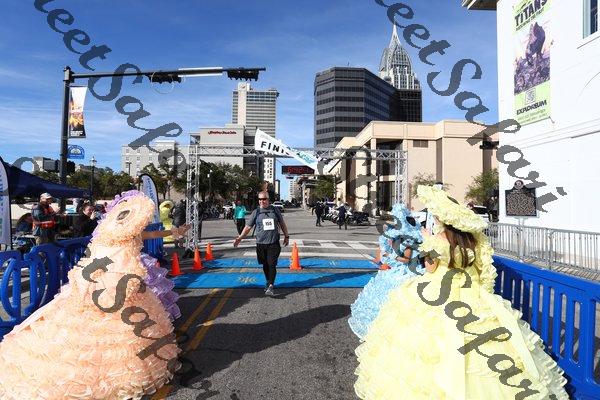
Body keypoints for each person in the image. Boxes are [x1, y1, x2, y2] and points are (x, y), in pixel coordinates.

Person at [353, 185, 568, 400]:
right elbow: (483, 271)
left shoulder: (437, 240)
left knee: (427, 344)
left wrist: (428, 241)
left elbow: (430, 268)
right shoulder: (474, 241)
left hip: (438, 291)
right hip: (472, 293)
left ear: (445, 220)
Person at [0, 191, 184, 399]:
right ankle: (115, 377)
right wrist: (171, 233)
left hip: (95, 284)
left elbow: (138, 240)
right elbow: (140, 243)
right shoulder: (122, 234)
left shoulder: (107, 232)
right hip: (114, 286)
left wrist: (171, 232)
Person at [348, 203, 423, 341]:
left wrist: (391, 257)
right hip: (395, 269)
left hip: (405, 272)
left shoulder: (409, 240)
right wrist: (384, 257)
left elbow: (406, 260)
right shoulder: (395, 236)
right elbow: (384, 250)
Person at [233, 191, 289, 296]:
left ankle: (271, 285)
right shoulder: (256, 212)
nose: (262, 201)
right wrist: (240, 238)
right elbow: (248, 227)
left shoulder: (274, 210)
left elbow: (282, 223)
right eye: (260, 199)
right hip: (261, 244)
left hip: (273, 243)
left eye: (264, 199)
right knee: (265, 265)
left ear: (268, 200)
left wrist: (286, 236)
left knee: (272, 264)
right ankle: (268, 282)